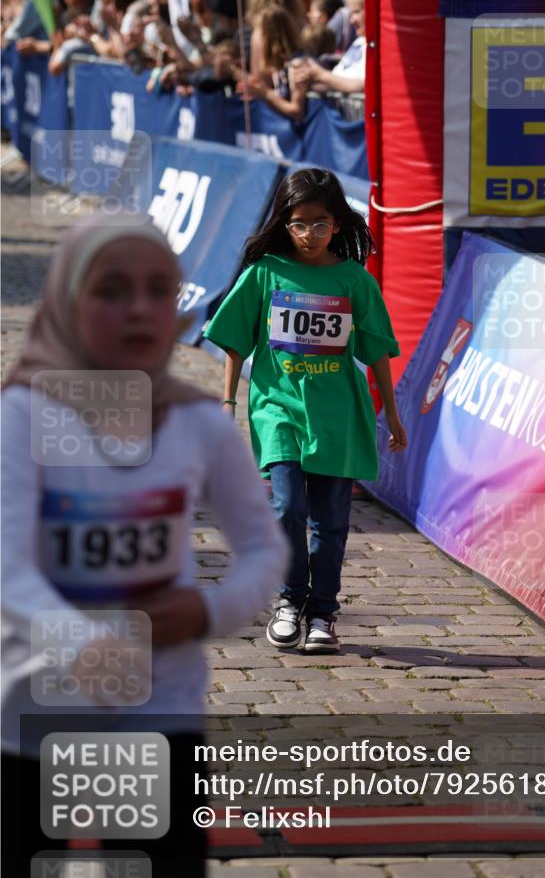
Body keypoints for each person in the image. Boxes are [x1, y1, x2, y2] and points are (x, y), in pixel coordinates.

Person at [1, 210, 288, 874]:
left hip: (161, 709)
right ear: (67, 301)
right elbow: (6, 564)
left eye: (160, 290)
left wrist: (208, 610)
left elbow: (265, 550)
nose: (139, 309)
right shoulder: (22, 416)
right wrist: (85, 645)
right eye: (111, 290)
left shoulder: (198, 424)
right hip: (31, 714)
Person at [204, 169, 407, 656]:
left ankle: (323, 614)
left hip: (338, 416)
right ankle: (289, 601)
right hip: (278, 410)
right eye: (298, 224)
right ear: (285, 223)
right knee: (286, 507)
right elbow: (235, 340)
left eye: (320, 224)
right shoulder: (264, 273)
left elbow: (377, 351)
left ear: (337, 224)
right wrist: (228, 400)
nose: (309, 234)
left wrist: (394, 415)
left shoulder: (353, 280)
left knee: (331, 522)